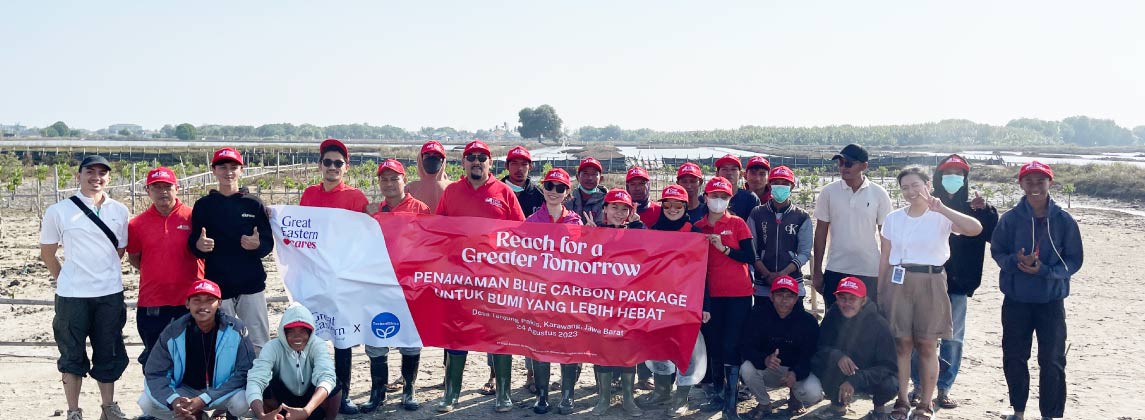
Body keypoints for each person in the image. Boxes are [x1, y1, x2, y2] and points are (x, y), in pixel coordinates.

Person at [877, 166, 983, 420]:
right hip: (898, 281)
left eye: (915, 185)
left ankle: (925, 403)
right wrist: (880, 291)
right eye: (905, 187)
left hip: (932, 280)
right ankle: (902, 400)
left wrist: (942, 208)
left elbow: (975, 228)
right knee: (902, 344)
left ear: (927, 185)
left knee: (927, 345)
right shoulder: (893, 219)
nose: (911, 191)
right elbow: (885, 258)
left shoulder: (941, 216)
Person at [435, 139, 527, 413]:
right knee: (456, 334)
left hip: (495, 278)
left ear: (490, 162)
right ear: (463, 163)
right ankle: (451, 394)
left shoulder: (504, 192)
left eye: (482, 157)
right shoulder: (451, 192)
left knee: (499, 334)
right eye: (471, 157)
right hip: (460, 278)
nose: (477, 161)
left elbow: (521, 233)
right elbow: (438, 231)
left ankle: (503, 393)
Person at [40, 155, 131, 420]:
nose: (96, 178)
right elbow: (48, 254)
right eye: (90, 172)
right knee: (71, 353)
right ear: (78, 176)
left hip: (109, 294)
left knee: (109, 349)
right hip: (72, 297)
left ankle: (108, 407)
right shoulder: (59, 211)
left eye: (102, 173)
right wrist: (65, 279)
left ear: (109, 178)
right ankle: (73, 411)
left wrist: (102, 275)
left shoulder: (120, 210)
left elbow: (119, 250)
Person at [990, 161, 1082, 420]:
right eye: (1028, 181)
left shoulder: (1064, 220)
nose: (1035, 187)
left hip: (1050, 301)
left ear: (1050, 183)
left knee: (1052, 361)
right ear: (1020, 184)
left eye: (1040, 181)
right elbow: (997, 251)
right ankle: (1018, 411)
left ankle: (1049, 415)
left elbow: (1074, 261)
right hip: (1016, 300)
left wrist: (1044, 270)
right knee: (1014, 357)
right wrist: (1015, 262)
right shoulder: (1010, 219)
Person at [908, 154, 998, 409]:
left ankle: (944, 388)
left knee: (953, 338)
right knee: (921, 335)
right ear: (937, 177)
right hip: (925, 279)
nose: (954, 178)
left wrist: (987, 210)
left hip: (959, 284)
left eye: (960, 174)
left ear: (966, 178)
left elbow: (991, 235)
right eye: (949, 173)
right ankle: (918, 385)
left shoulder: (975, 208)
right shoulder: (924, 204)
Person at [296, 139, 373, 415]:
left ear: (346, 167)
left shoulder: (355, 198)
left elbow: (367, 236)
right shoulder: (308, 195)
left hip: (343, 279)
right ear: (320, 165)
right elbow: (297, 229)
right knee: (310, 335)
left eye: (337, 163)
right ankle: (308, 392)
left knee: (342, 338)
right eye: (327, 162)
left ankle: (343, 395)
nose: (332, 167)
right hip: (313, 278)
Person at [187, 148, 274, 352]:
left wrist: (257, 245)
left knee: (258, 342)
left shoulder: (254, 204)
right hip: (217, 286)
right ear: (214, 170)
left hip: (251, 284)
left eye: (234, 167)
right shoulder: (203, 206)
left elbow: (268, 243)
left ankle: (259, 383)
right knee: (221, 343)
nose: (228, 172)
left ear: (241, 170)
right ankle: (225, 384)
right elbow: (194, 244)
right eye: (223, 167)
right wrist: (199, 246)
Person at [139, 280, 254, 420]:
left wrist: (205, 398)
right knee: (146, 403)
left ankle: (229, 415)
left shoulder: (236, 328)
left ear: (219, 303)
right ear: (187, 304)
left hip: (222, 390)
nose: (203, 306)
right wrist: (174, 400)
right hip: (185, 391)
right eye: (196, 300)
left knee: (242, 402)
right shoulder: (172, 331)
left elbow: (244, 371)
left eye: (210, 300)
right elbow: (156, 372)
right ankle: (196, 415)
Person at [127, 167, 203, 375]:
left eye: (167, 186)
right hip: (153, 301)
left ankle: (190, 405)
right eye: (156, 187)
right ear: (147, 190)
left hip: (191, 300)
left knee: (194, 355)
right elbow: (135, 258)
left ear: (177, 188)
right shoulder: (136, 224)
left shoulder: (194, 217)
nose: (163, 192)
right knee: (155, 356)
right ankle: (156, 405)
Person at [639, 185, 706, 415]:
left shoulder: (695, 233)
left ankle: (681, 397)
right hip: (658, 299)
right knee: (658, 345)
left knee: (684, 348)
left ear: (686, 206)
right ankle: (661, 391)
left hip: (686, 301)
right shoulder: (653, 231)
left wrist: (703, 304)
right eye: (667, 204)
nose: (672, 209)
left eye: (678, 205)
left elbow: (704, 272)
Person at [369, 159, 429, 411]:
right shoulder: (373, 212)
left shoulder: (420, 209)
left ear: (405, 180)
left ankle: (409, 389)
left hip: (410, 286)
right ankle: (377, 392)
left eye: (395, 178)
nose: (389, 183)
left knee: (410, 338)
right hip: (379, 284)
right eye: (384, 179)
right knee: (375, 337)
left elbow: (429, 245)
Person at [694, 176, 756, 420]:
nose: (718, 201)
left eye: (724, 197)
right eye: (714, 196)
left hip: (738, 294)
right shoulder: (698, 227)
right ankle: (717, 393)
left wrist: (725, 248)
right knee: (714, 344)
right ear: (705, 197)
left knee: (732, 344)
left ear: (730, 199)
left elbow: (750, 257)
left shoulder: (738, 223)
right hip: (711, 296)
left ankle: (731, 399)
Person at [523, 168, 584, 414]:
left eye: (560, 188)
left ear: (567, 192)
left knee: (568, 343)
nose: (554, 192)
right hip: (539, 295)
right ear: (543, 188)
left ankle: (568, 396)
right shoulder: (531, 221)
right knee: (540, 344)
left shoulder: (576, 222)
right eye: (550, 186)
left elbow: (583, 260)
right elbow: (520, 257)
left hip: (568, 296)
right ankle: (542, 395)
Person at [812, 143, 893, 308]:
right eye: (840, 163)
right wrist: (817, 272)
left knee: (867, 323)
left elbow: (886, 237)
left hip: (869, 271)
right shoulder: (828, 192)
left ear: (864, 166)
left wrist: (886, 274)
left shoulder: (879, 194)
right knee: (835, 321)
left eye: (848, 163)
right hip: (836, 268)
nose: (843, 168)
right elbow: (820, 232)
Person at [590, 189, 646, 417]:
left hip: (628, 303)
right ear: (604, 209)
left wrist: (637, 225)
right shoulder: (593, 233)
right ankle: (603, 398)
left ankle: (628, 398)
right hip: (601, 303)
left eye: (624, 208)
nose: (619, 212)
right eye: (614, 207)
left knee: (627, 350)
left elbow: (652, 254)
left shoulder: (637, 232)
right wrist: (590, 237)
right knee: (603, 350)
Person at [812, 278, 899, 420]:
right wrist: (837, 356)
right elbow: (820, 347)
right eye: (842, 298)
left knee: (891, 383)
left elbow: (889, 366)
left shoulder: (879, 323)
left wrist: (857, 379)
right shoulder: (832, 315)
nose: (846, 303)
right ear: (836, 298)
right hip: (842, 372)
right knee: (819, 363)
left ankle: (879, 408)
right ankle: (837, 405)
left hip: (870, 375)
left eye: (852, 299)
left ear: (863, 301)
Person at [739, 275, 823, 418]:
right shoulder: (757, 315)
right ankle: (764, 403)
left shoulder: (808, 322)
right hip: (769, 370)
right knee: (746, 368)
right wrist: (764, 359)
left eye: (789, 296)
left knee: (814, 393)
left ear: (796, 299)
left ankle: (795, 398)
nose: (784, 300)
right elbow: (746, 347)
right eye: (779, 295)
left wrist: (796, 373)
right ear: (771, 297)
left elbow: (811, 356)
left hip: (795, 372)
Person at [246, 303, 340, 420]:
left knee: (333, 382)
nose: (297, 336)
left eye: (303, 331)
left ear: (310, 332)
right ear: (283, 332)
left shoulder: (318, 344)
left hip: (311, 403)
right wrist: (261, 415)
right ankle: (270, 417)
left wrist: (307, 410)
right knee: (262, 384)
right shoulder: (272, 347)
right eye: (291, 331)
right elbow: (255, 380)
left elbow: (326, 376)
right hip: (282, 403)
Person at [746, 166, 812, 305]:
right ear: (770, 185)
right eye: (776, 183)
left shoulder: (801, 216)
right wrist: (766, 274)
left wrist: (783, 274)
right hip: (763, 285)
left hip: (792, 284)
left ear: (792, 186)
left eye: (785, 184)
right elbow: (751, 249)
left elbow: (804, 252)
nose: (780, 187)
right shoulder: (756, 213)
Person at [407, 140, 451, 212]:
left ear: (443, 160)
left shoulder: (453, 188)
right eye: (427, 155)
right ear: (421, 159)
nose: (431, 158)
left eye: (436, 155)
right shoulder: (410, 189)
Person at [503, 145, 545, 216]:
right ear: (506, 166)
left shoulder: (540, 195)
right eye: (514, 163)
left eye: (524, 164)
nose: (519, 168)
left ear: (530, 167)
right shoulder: (496, 192)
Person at [714, 154, 760, 218]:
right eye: (724, 169)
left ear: (741, 174)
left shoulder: (750, 198)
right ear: (717, 174)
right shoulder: (708, 198)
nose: (729, 173)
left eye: (733, 169)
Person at [566, 157, 607, 223]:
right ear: (577, 177)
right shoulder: (568, 200)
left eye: (594, 174)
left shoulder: (607, 202)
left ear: (601, 179)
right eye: (585, 173)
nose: (589, 178)